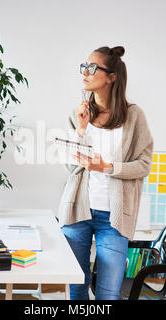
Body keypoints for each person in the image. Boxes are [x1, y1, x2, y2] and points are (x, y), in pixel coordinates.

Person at [58, 46, 154, 300]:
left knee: (108, 294)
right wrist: (80, 129)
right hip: (78, 212)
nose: (85, 73)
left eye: (92, 68)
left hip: (114, 218)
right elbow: (70, 167)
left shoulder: (134, 116)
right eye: (84, 67)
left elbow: (144, 164)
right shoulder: (79, 114)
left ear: (111, 77)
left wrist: (108, 168)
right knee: (76, 287)